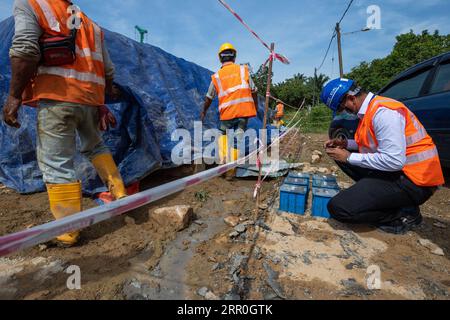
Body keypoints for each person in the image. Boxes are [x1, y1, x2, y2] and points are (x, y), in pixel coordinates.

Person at [2, 0, 127, 246]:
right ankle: (120, 194)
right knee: (96, 146)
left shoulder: (32, 5)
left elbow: (26, 49)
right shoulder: (89, 23)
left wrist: (14, 95)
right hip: (89, 99)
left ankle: (69, 231)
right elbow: (108, 69)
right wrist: (101, 100)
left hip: (58, 96)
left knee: (56, 162)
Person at [321, 78, 445, 234]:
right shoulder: (369, 111)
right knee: (343, 158)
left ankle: (403, 213)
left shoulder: (383, 112)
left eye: (341, 109)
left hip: (416, 181)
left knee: (338, 207)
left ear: (351, 98)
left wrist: (348, 156)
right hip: (402, 173)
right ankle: (379, 195)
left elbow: (394, 161)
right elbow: (370, 145)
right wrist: (345, 145)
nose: (344, 113)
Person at [200, 43, 258, 178]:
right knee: (237, 139)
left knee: (223, 135)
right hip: (243, 113)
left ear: (220, 58)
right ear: (234, 56)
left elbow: (209, 97)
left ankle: (223, 162)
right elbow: (254, 91)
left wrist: (204, 111)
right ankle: (230, 172)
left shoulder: (217, 76)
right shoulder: (244, 70)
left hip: (227, 114)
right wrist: (254, 105)